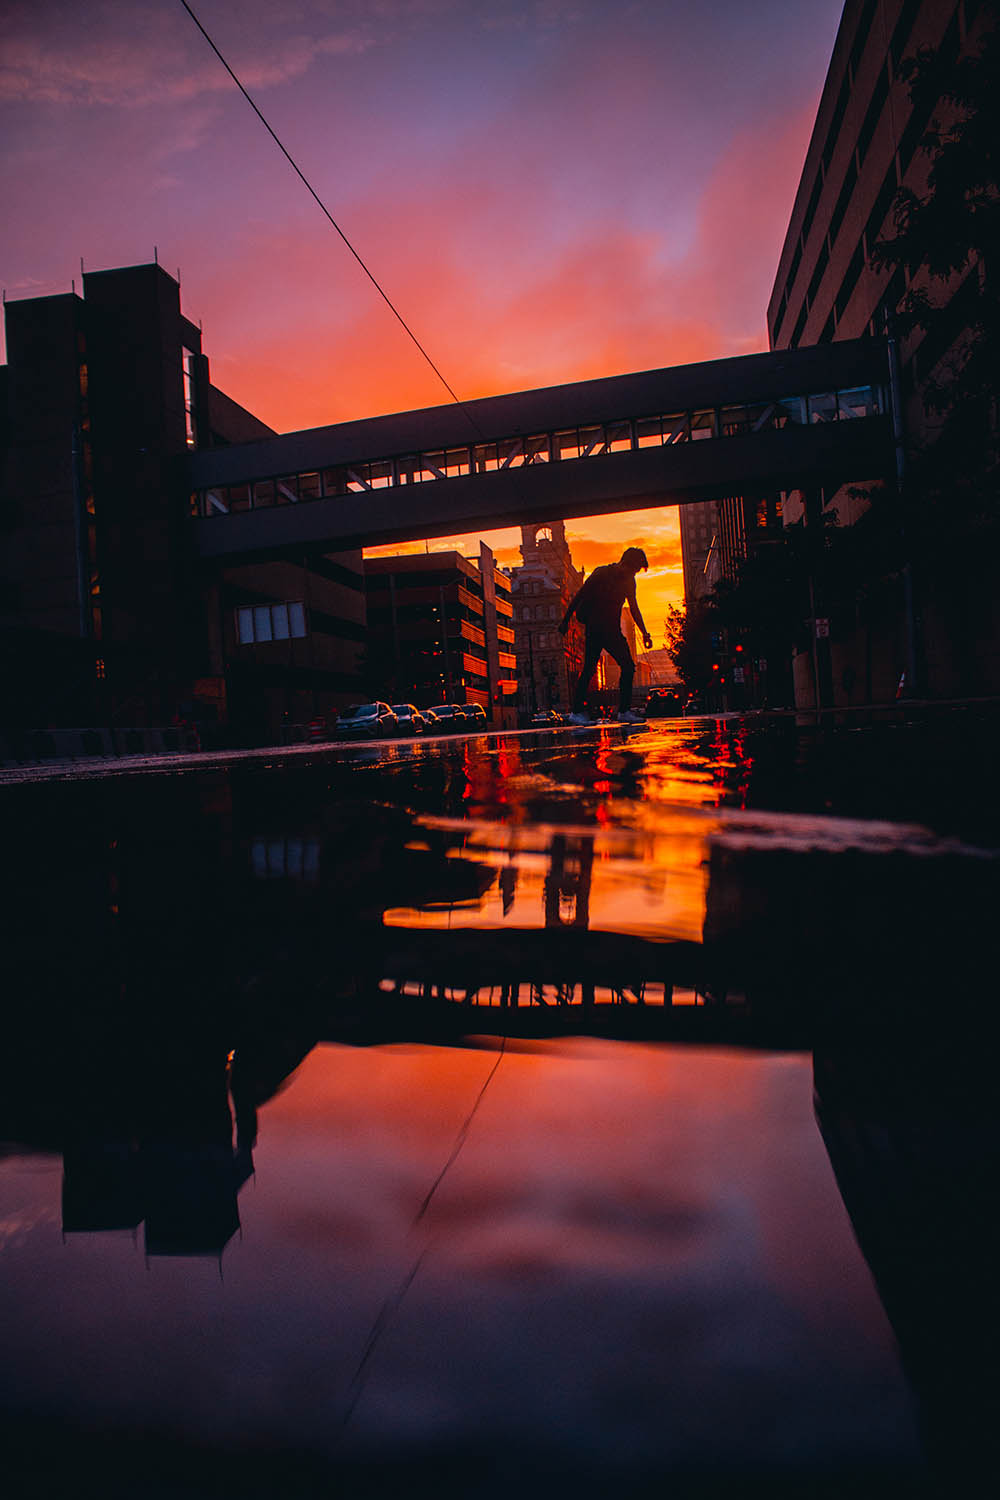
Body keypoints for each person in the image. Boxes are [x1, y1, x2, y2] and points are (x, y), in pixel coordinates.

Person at [559, 546, 653, 723]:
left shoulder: (629, 582)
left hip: (612, 631)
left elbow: (634, 608)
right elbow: (580, 595)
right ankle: (578, 712)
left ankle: (621, 711)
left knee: (625, 666)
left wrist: (645, 632)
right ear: (625, 563)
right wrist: (565, 621)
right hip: (596, 629)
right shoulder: (601, 573)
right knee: (591, 669)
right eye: (634, 569)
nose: (634, 574)